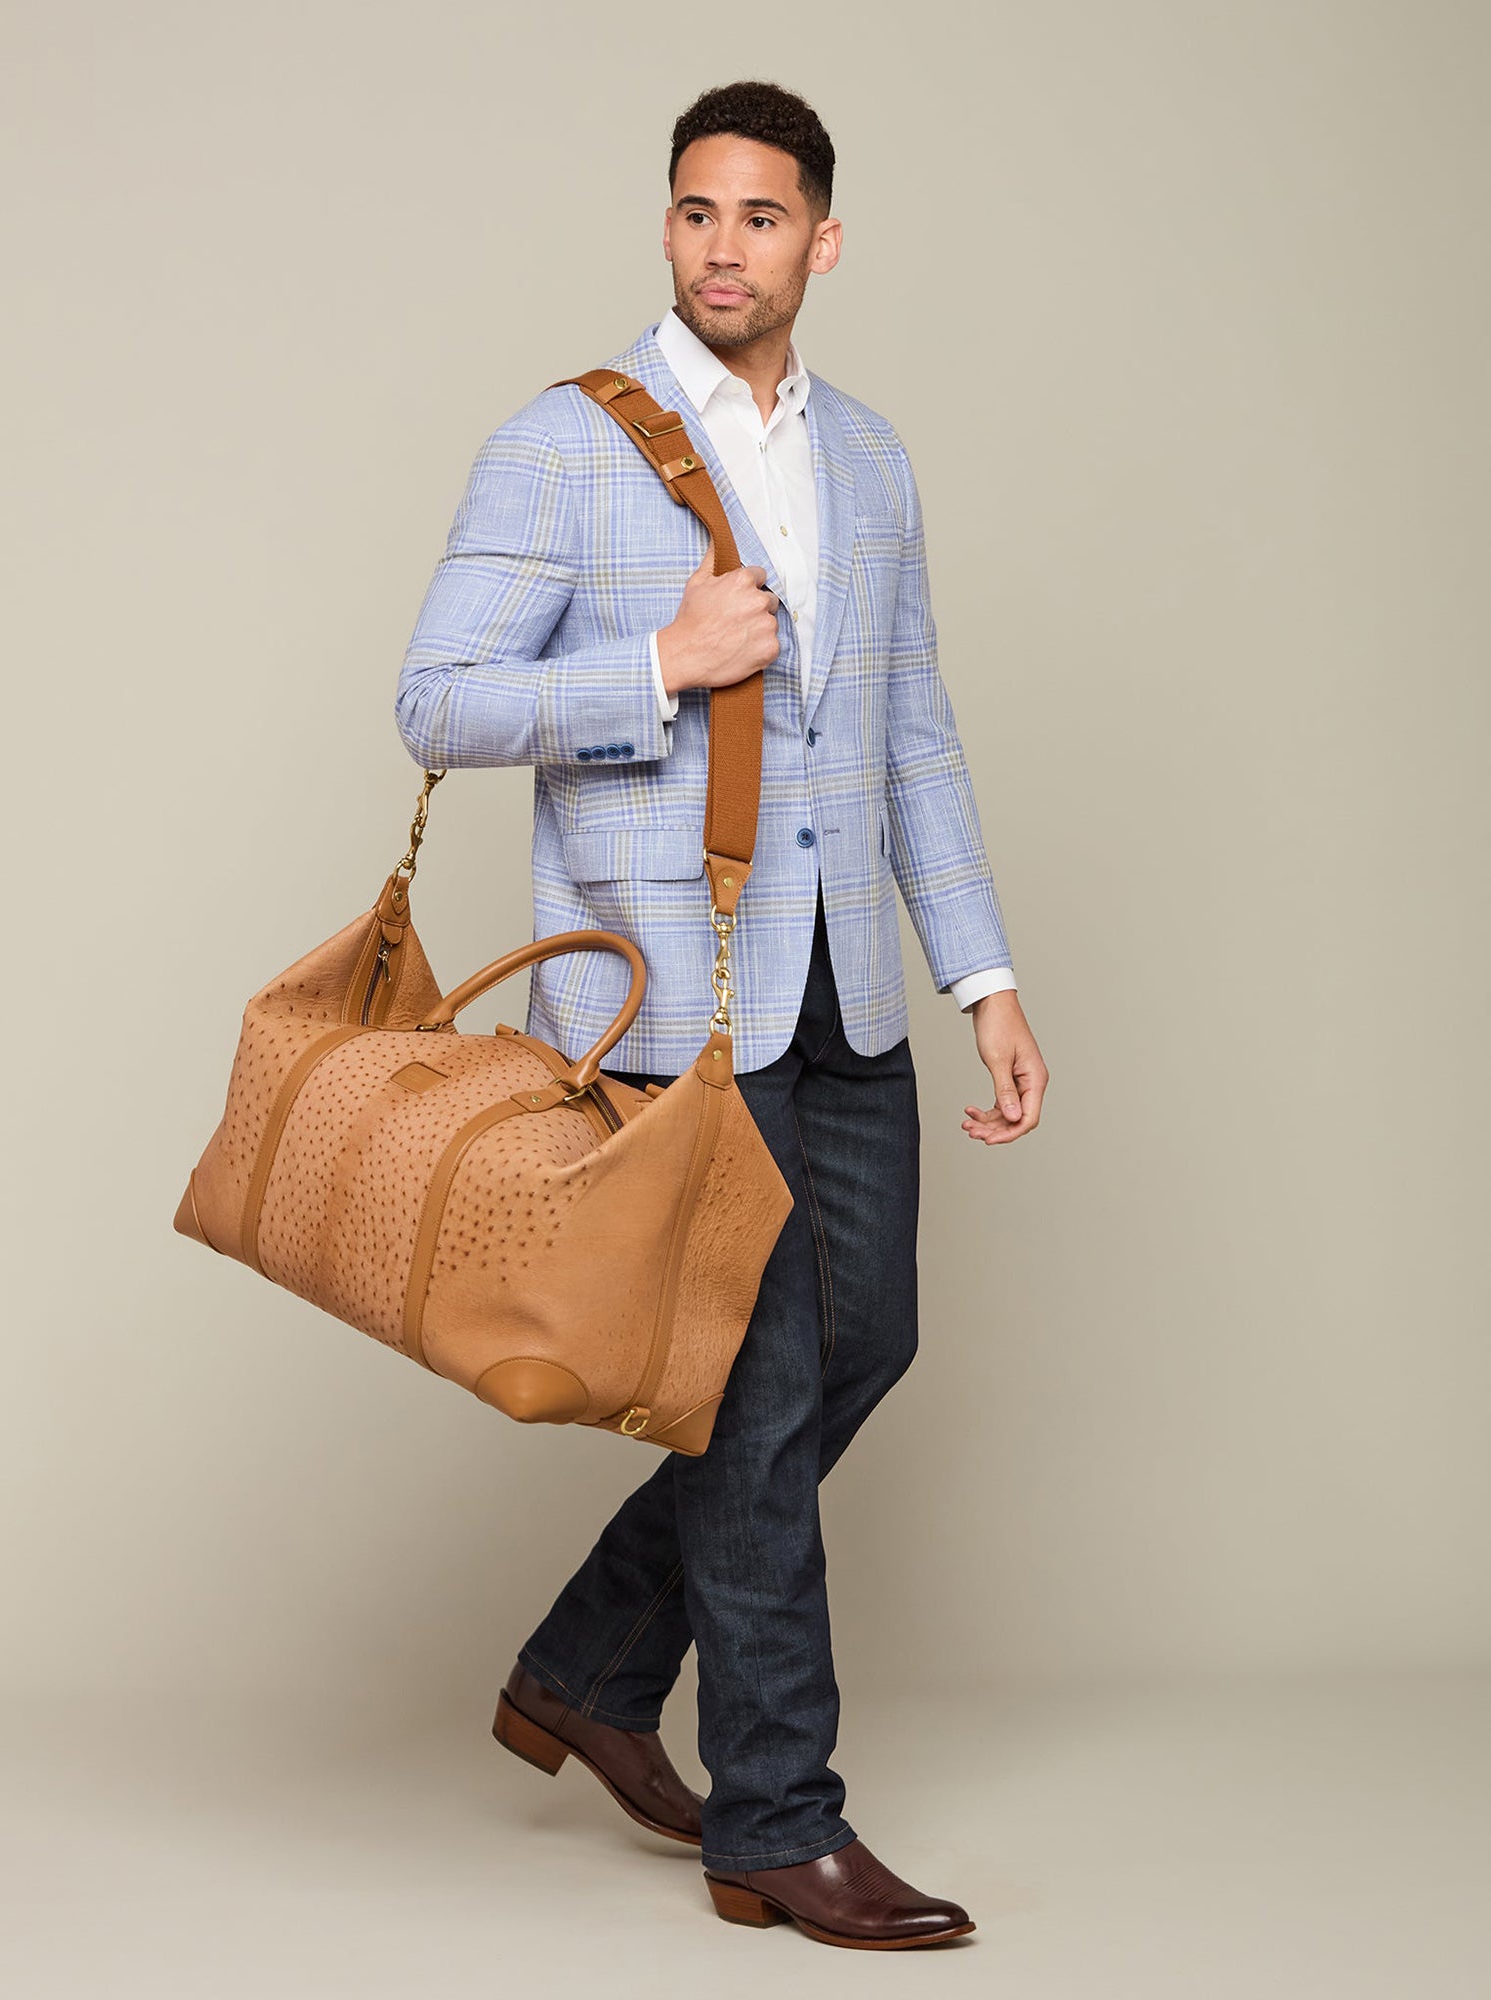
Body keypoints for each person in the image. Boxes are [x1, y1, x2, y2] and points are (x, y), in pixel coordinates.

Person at [394, 78, 1048, 1951]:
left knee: (864, 1345)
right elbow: (437, 698)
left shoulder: (874, 460)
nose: (722, 247)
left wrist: (984, 977)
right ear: (666, 227)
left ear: (821, 241)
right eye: (695, 212)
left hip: (846, 989)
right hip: (676, 1005)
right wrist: (659, 664)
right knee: (754, 1396)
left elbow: (914, 731)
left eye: (760, 217)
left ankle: (589, 1668)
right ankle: (777, 1820)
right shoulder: (565, 445)